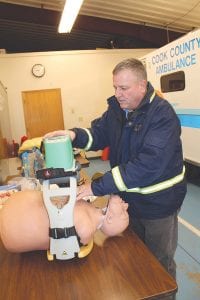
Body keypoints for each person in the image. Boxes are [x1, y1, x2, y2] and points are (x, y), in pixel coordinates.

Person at [44, 58, 187, 285]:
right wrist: (73, 135)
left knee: (160, 264)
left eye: (124, 88)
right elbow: (98, 133)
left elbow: (147, 166)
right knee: (138, 256)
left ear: (142, 85)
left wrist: (96, 187)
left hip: (159, 203)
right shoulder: (119, 110)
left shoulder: (162, 115)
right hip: (130, 197)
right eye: (115, 88)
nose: (118, 93)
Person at [0, 191, 129, 253]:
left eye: (123, 213)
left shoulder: (86, 229)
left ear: (110, 219)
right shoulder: (90, 211)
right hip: (14, 211)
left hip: (14, 227)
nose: (126, 205)